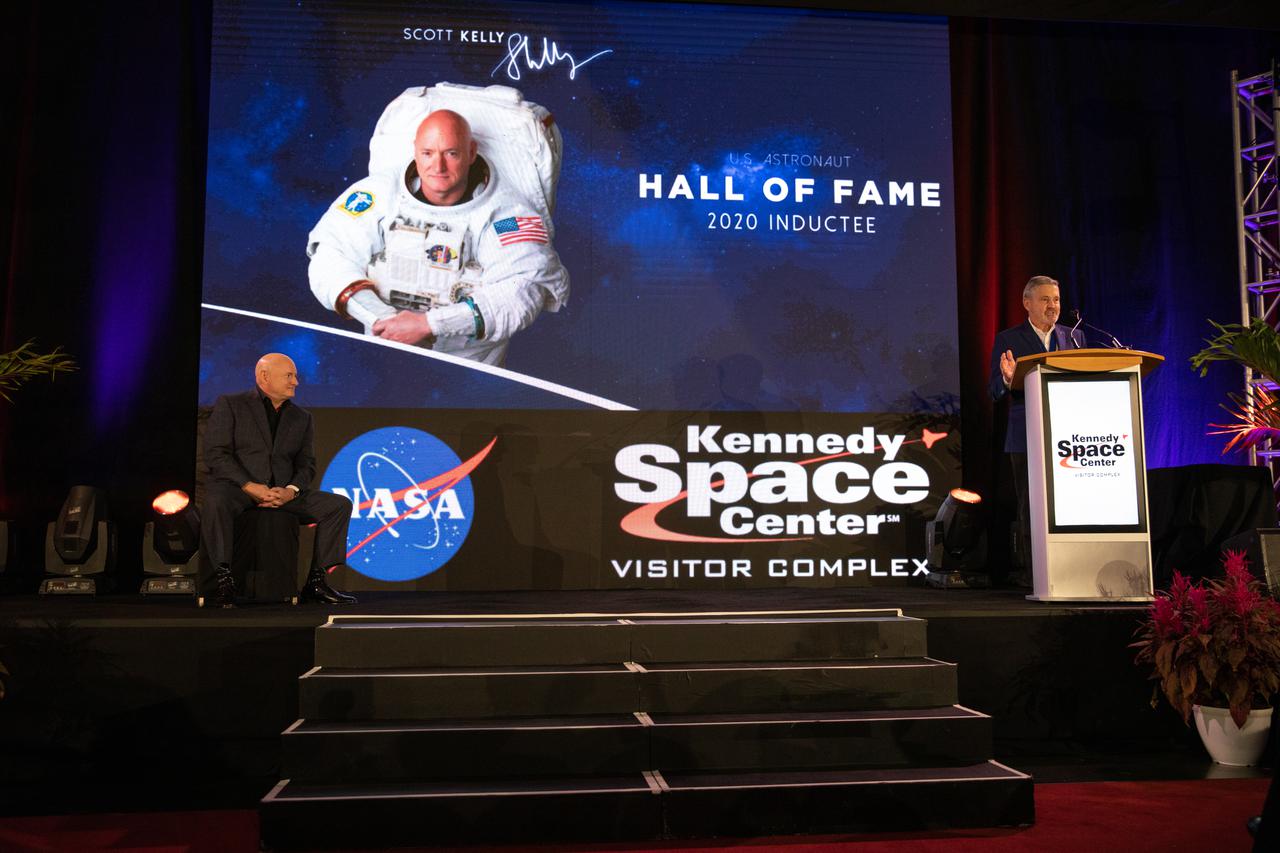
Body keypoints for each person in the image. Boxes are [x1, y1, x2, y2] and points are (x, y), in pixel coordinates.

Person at [306, 109, 569, 366]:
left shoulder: (507, 212)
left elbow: (522, 292)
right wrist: (383, 319)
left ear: (471, 152)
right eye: (428, 153)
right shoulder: (378, 194)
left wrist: (428, 325)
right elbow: (328, 259)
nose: (438, 166)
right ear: (415, 152)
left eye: (451, 154)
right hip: (382, 351)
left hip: (467, 365)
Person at [202, 353, 357, 608]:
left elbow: (306, 465)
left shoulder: (302, 417)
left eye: (295, 376)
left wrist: (290, 491)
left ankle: (316, 583)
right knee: (216, 501)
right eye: (289, 375)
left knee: (338, 505)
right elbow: (216, 454)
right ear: (264, 376)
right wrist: (249, 486)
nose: (295, 381)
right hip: (239, 489)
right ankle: (223, 580)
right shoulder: (232, 404)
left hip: (282, 494)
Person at [988, 275, 1082, 579]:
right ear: (1027, 303)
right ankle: (1035, 574)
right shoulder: (1008, 339)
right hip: (1026, 435)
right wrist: (1007, 379)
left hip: (1070, 437)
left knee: (1068, 504)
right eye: (1045, 300)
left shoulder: (1075, 338)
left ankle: (1070, 569)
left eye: (1056, 299)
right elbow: (993, 390)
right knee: (1031, 506)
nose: (1053, 306)